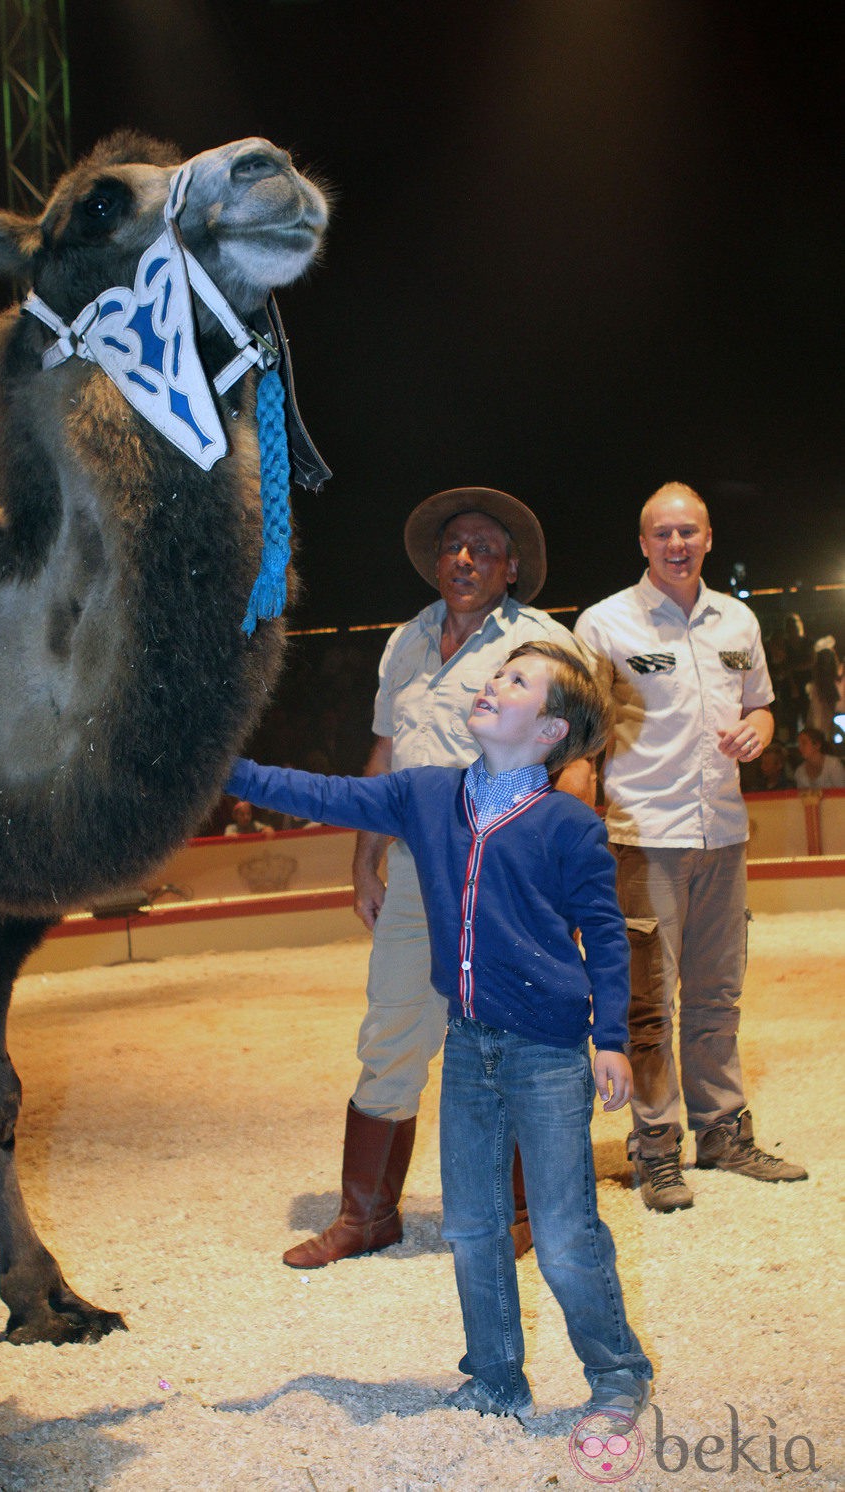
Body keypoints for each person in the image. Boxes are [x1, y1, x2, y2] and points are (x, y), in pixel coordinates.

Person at [228, 639, 654, 1422]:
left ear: (551, 730)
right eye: (496, 674)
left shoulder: (570, 826)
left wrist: (614, 1038)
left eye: (516, 680)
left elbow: (605, 930)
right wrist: (218, 767)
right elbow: (321, 793)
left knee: (562, 1232)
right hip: (467, 1046)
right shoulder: (426, 795)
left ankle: (619, 1374)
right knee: (471, 1225)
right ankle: (495, 1377)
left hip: (547, 1055)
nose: (494, 683)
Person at [281, 487, 585, 1271]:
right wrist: (364, 857)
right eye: (454, 545)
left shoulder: (544, 642)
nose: (465, 558)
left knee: (514, 1033)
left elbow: (580, 761)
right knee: (391, 1029)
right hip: (418, 866)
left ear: (512, 567)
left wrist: (563, 873)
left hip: (505, 867)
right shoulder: (406, 642)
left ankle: (526, 1214)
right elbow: (385, 754)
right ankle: (367, 1215)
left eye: (484, 548)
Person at [575, 483, 807, 1212]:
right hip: (642, 839)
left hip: (724, 834)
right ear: (642, 544)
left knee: (718, 994)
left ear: (709, 538)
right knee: (646, 1002)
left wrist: (761, 732)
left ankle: (723, 1133)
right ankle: (655, 1150)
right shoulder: (604, 623)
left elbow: (763, 707)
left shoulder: (737, 620)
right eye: (662, 533)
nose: (677, 544)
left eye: (689, 532)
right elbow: (580, 736)